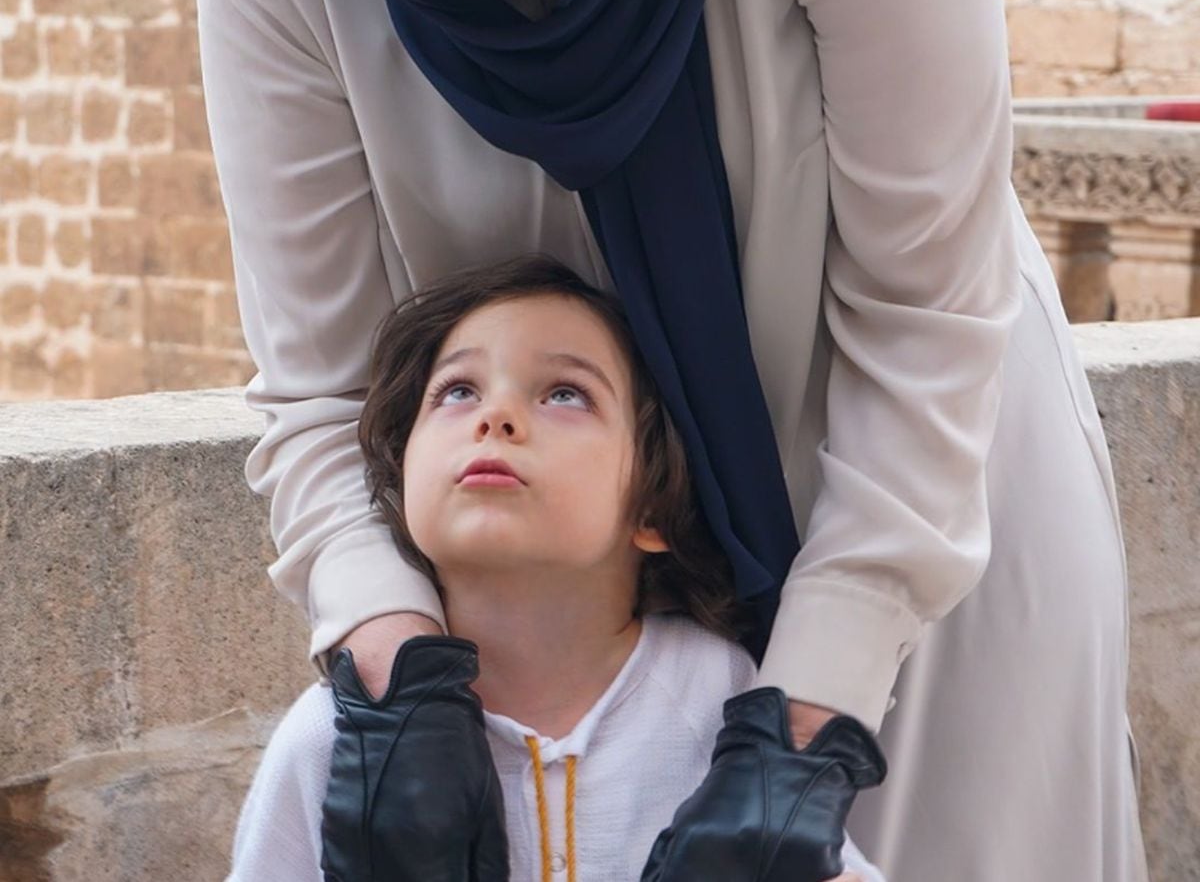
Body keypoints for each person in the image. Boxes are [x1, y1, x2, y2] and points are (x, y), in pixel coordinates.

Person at [197, 0, 1149, 877]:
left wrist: (802, 730)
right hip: (581, 608)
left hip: (926, 502)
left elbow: (927, 308)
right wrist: (399, 678)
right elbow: (324, 387)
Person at [226, 256, 887, 882]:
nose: (496, 416)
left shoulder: (721, 697)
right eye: (457, 390)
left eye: (566, 394)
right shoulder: (339, 737)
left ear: (653, 506)